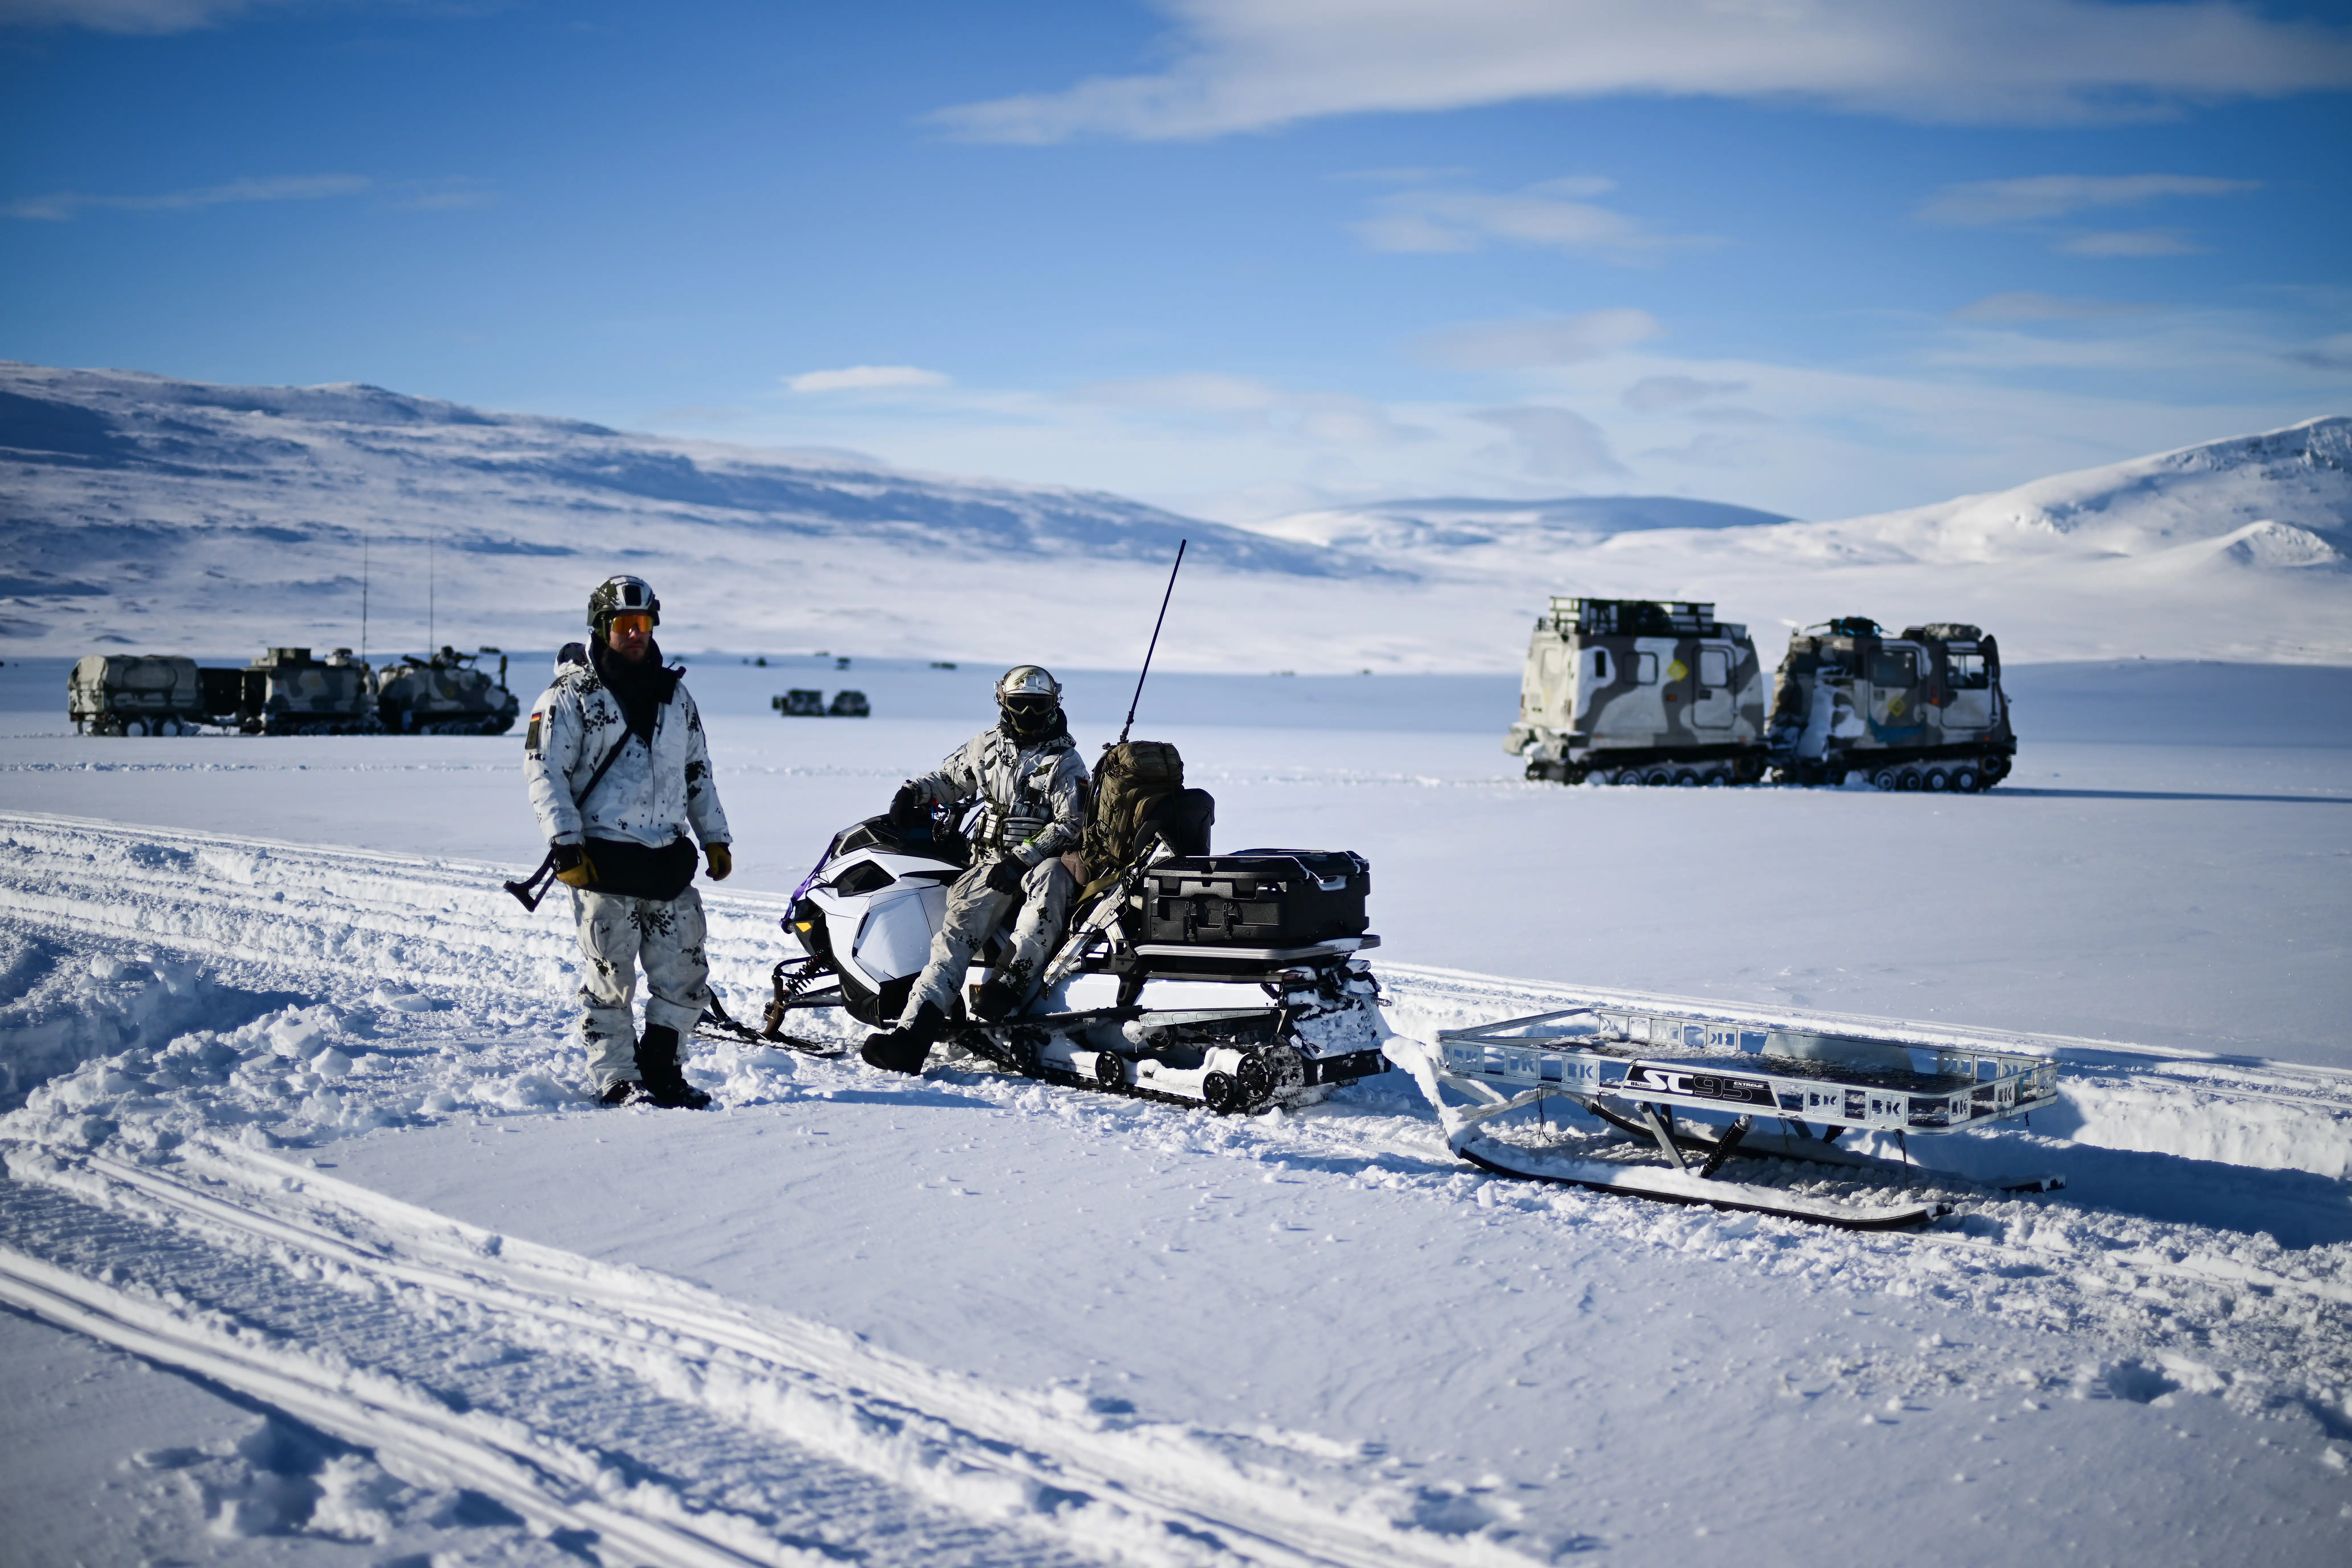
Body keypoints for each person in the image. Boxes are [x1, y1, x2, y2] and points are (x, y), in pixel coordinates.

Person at [523, 574, 734, 1108]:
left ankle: (662, 1069)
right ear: (602, 627)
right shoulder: (570, 696)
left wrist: (715, 836)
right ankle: (616, 1076)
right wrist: (565, 841)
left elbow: (697, 770)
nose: (636, 635)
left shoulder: (675, 694)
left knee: (686, 973)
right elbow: (544, 770)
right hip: (602, 864)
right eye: (624, 625)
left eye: (643, 624)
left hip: (667, 861)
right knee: (610, 978)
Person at [860, 665, 1087, 1073]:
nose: (1030, 716)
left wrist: (1024, 859)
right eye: (1022, 706)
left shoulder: (1066, 762)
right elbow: (950, 780)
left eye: (1039, 707)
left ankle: (1007, 987)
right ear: (1004, 702)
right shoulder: (987, 747)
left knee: (1054, 875)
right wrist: (915, 791)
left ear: (1054, 706)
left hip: (1034, 866)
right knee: (952, 943)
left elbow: (1071, 822)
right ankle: (913, 1038)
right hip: (986, 867)